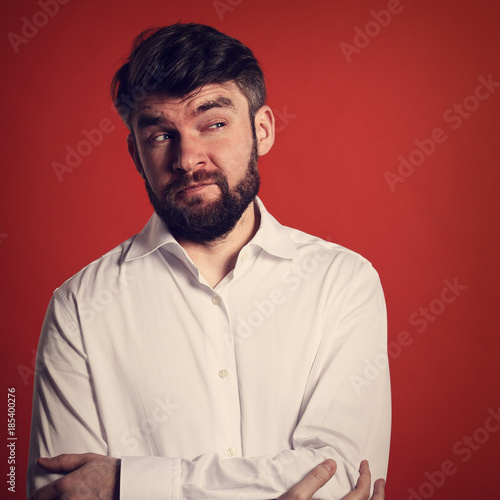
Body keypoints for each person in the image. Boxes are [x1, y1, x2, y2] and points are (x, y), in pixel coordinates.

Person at [27, 23, 391, 499]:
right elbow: (66, 492)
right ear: (136, 154)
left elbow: (335, 479)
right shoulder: (78, 307)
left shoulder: (344, 282)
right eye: (160, 135)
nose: (187, 157)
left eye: (213, 123)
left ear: (262, 130)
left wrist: (126, 482)